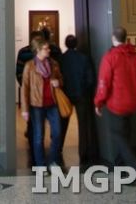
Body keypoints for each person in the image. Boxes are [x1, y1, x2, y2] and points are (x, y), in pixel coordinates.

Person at [94, 26, 136, 173]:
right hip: (134, 102)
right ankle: (120, 166)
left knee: (118, 134)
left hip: (117, 104)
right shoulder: (135, 56)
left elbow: (103, 82)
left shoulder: (110, 57)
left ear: (113, 38)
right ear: (126, 38)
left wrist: (98, 102)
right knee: (125, 134)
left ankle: (133, 166)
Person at [21, 36, 64, 170]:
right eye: (46, 49)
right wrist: (25, 109)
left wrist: (58, 82)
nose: (48, 50)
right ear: (38, 50)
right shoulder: (29, 66)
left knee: (57, 133)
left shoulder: (53, 64)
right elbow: (25, 88)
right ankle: (40, 165)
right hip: (36, 105)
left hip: (52, 103)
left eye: (48, 48)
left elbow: (61, 79)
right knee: (38, 136)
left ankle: (52, 161)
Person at [60, 34, 97, 170]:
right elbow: (90, 79)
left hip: (66, 95)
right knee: (83, 125)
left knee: (62, 123)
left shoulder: (61, 59)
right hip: (81, 94)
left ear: (66, 44)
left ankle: (58, 148)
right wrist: (85, 90)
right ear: (76, 44)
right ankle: (84, 152)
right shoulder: (84, 58)